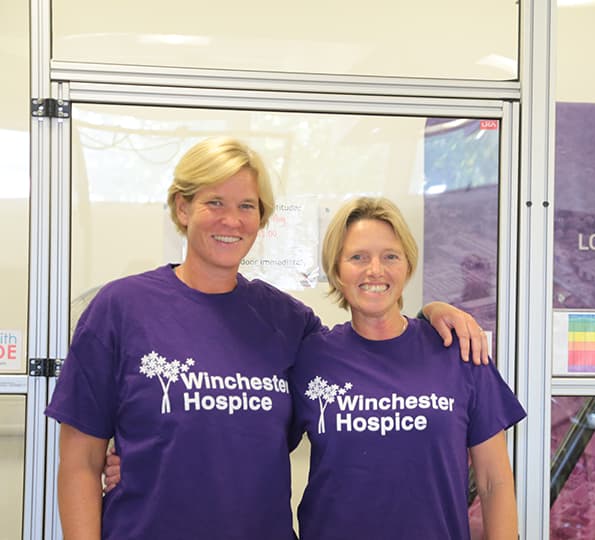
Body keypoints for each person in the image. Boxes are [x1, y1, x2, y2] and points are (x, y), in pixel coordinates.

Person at [44, 136, 489, 540]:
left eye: (247, 207)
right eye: (214, 202)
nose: (231, 220)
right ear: (182, 208)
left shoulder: (287, 321)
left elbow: (368, 351)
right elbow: (81, 462)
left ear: (261, 219)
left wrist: (432, 314)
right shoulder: (122, 309)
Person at [290, 197, 526, 539]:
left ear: (407, 266)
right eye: (358, 257)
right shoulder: (311, 358)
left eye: (390, 256)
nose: (375, 270)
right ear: (337, 270)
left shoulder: (457, 349)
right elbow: (259, 448)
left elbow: (494, 481)